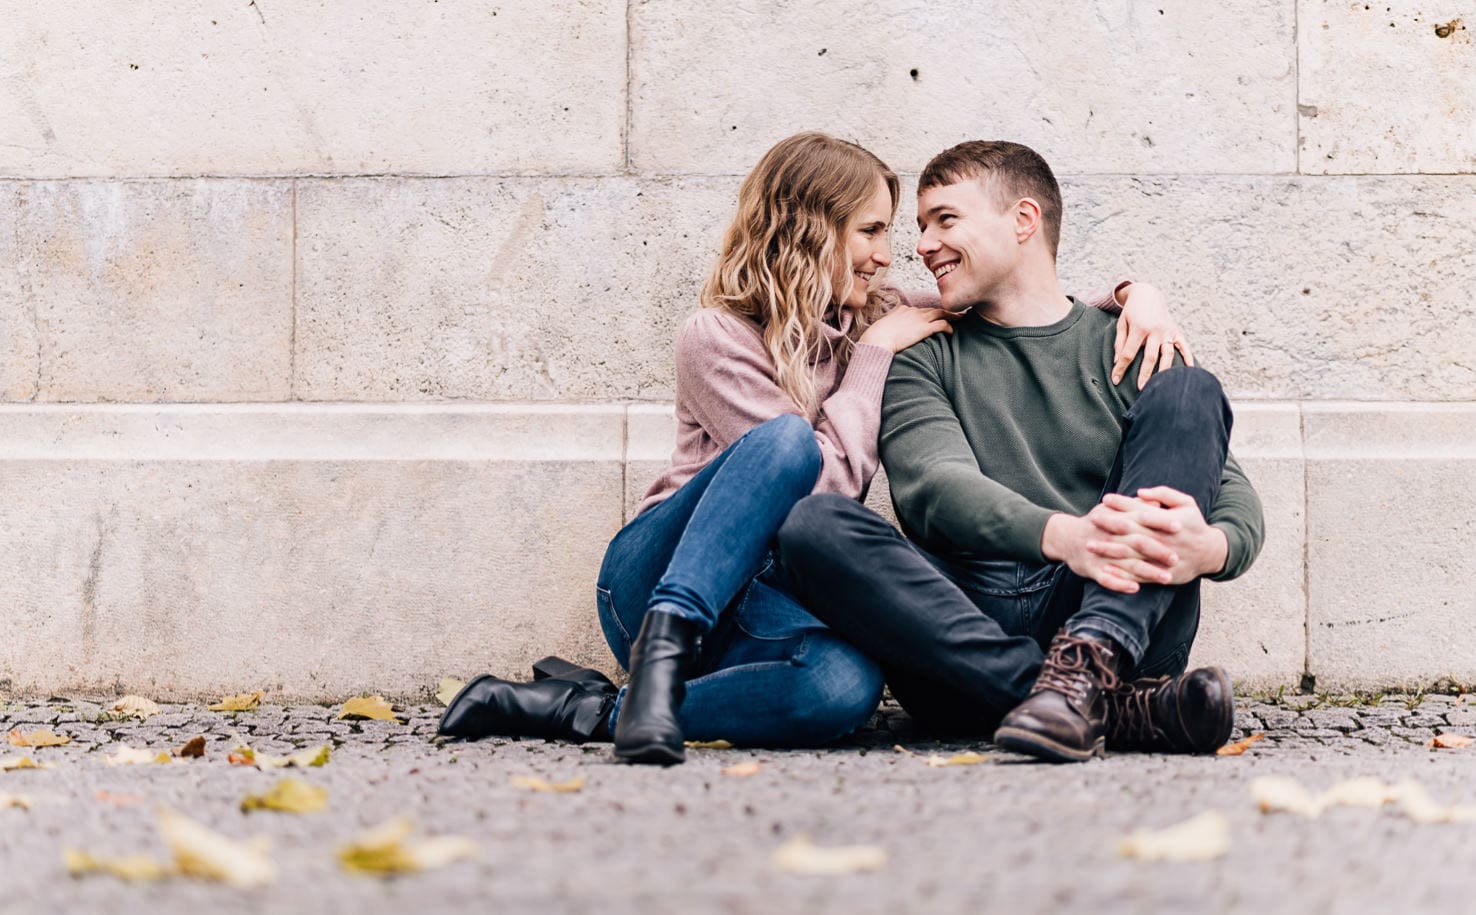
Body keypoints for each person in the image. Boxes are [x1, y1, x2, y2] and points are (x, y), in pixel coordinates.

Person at [438, 133, 1192, 764]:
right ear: (809, 227)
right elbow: (815, 494)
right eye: (869, 231)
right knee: (787, 442)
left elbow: (1008, 291)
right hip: (661, 573)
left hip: (769, 602)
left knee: (843, 691)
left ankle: (598, 709)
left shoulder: (876, 312)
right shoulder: (718, 338)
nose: (887, 256)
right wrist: (873, 359)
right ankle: (660, 650)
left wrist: (1135, 294)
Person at [776, 140, 1265, 763]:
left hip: (1115, 608)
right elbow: (935, 488)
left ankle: (1089, 663)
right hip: (965, 625)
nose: (922, 245)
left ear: (1024, 221)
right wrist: (1067, 536)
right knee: (811, 524)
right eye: (921, 227)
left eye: (944, 220)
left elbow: (1230, 492)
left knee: (1192, 390)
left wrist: (1210, 548)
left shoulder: (1127, 343)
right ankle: (1108, 705)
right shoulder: (924, 349)